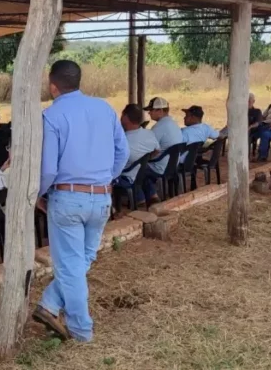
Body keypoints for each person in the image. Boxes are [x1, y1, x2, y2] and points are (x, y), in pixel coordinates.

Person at [34, 60, 129, 343]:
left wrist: (39, 194)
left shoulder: (51, 115)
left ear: (53, 85)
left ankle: (80, 329)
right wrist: (105, 179)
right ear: (78, 81)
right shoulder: (105, 108)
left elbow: (48, 169)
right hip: (101, 197)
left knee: (71, 265)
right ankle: (50, 305)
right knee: (84, 258)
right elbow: (122, 153)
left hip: (67, 197)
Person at [141, 97, 183, 205]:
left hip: (160, 166)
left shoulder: (159, 127)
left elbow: (147, 147)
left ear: (160, 111)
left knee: (137, 169)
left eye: (151, 110)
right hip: (172, 165)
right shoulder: (174, 124)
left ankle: (149, 197)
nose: (149, 113)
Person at [115, 104, 159, 189]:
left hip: (126, 177)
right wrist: (144, 160)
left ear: (126, 117)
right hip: (142, 174)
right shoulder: (149, 134)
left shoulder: (122, 141)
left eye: (122, 114)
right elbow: (157, 150)